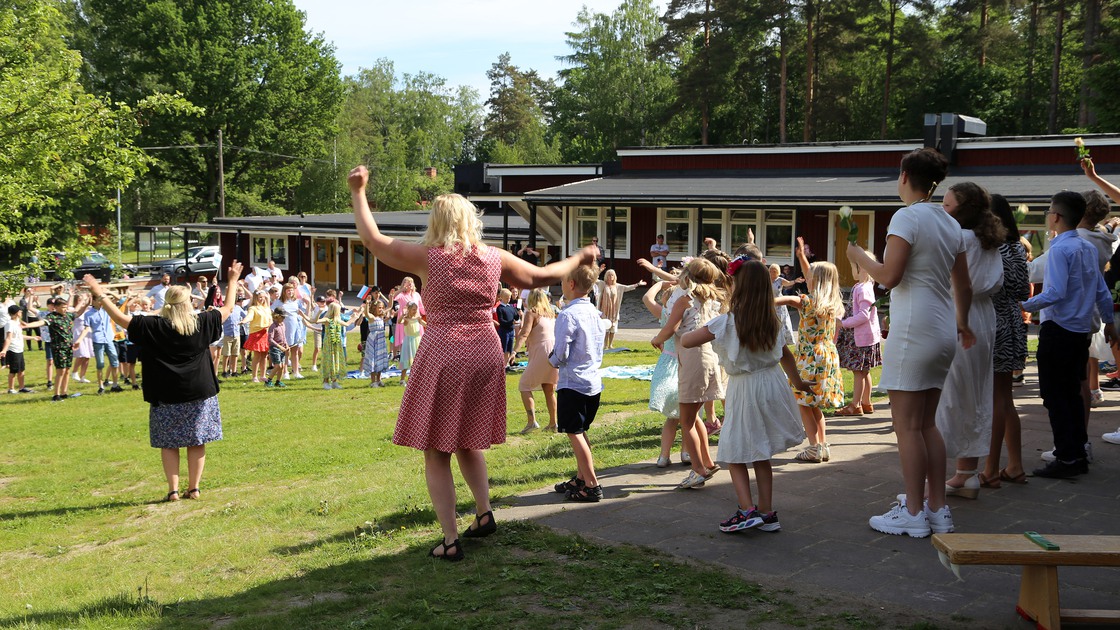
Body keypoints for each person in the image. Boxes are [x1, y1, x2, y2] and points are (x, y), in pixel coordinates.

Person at [349, 164, 595, 561]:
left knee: (435, 449)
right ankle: (483, 514)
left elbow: (374, 240)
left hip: (445, 350)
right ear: (470, 221)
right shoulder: (493, 257)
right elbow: (543, 276)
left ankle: (449, 540)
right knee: (467, 439)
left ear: (437, 222)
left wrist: (359, 192)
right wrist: (579, 256)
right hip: (485, 350)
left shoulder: (430, 259)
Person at [847, 147, 974, 538]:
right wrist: (963, 324)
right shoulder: (949, 223)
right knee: (927, 424)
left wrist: (858, 254)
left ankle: (914, 512)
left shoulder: (906, 216)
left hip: (913, 331)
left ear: (904, 176)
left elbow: (889, 277)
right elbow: (963, 284)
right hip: (941, 330)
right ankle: (937, 509)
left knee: (906, 426)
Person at [81, 261, 243, 502]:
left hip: (165, 392)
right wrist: (231, 280)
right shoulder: (203, 322)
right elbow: (228, 307)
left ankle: (173, 490)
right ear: (188, 303)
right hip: (199, 391)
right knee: (196, 441)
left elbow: (119, 317)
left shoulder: (151, 325)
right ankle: (195, 488)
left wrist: (99, 293)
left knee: (169, 443)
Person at [682, 260, 812, 533]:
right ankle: (766, 512)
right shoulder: (772, 321)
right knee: (761, 452)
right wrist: (799, 382)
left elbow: (687, 340)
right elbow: (786, 356)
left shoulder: (726, 322)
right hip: (772, 385)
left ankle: (746, 510)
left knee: (734, 451)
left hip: (745, 389)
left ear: (737, 288)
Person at [1021, 191, 1116, 478]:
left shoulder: (1062, 250)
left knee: (1055, 395)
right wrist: (1108, 321)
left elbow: (1055, 292)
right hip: (1080, 331)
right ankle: (1077, 452)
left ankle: (1066, 457)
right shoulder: (1086, 247)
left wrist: (1023, 305)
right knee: (1073, 393)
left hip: (1059, 329)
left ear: (1056, 217)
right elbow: (1102, 290)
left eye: (1050, 210)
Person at [936, 182, 1005, 499]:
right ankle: (967, 474)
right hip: (983, 317)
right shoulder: (987, 240)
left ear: (962, 210)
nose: (941, 209)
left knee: (950, 394)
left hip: (958, 315)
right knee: (975, 393)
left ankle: (940, 475)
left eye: (947, 205)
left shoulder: (959, 238)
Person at [651, 258, 727, 489]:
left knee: (686, 421)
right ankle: (707, 462)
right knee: (695, 416)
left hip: (693, 359)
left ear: (687, 275)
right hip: (710, 358)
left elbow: (670, 327)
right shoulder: (712, 299)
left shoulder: (685, 300)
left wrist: (657, 339)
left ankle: (698, 471)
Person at [775, 238, 844, 462]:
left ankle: (813, 446)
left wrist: (759, 297)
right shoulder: (832, 304)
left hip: (809, 358)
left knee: (803, 404)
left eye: (809, 275)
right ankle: (821, 445)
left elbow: (782, 299)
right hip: (827, 356)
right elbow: (811, 274)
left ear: (815, 281)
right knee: (813, 404)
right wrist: (802, 257)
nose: (806, 277)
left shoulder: (805, 301)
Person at [981, 194, 1031, 485]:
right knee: (1005, 399)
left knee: (994, 400)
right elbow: (1024, 291)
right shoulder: (1016, 247)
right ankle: (1015, 465)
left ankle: (989, 470)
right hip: (1012, 322)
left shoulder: (991, 249)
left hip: (993, 320)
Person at [549, 264, 609, 502]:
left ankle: (592, 484)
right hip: (592, 382)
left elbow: (561, 351)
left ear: (571, 285)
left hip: (573, 382)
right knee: (581, 432)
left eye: (563, 281)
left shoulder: (568, 314)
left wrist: (551, 360)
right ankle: (582, 477)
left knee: (574, 432)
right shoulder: (595, 312)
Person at [834, 252, 882, 416]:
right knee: (864, 371)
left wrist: (844, 323)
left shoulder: (863, 288)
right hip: (866, 338)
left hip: (861, 339)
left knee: (858, 372)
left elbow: (864, 315)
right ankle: (866, 403)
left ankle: (855, 405)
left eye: (853, 265)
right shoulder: (862, 286)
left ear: (861, 267)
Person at [643, 280, 684, 467]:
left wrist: (659, 284)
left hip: (668, 365)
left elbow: (646, 298)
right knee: (689, 416)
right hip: (685, 365)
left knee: (672, 417)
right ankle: (686, 453)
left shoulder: (666, 314)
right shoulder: (687, 313)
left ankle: (663, 456)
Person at [514, 288, 559, 433]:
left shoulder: (532, 312)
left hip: (541, 351)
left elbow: (524, 334)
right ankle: (553, 423)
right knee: (549, 388)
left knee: (524, 385)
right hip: (553, 351)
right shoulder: (550, 314)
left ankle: (532, 421)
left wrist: (514, 351)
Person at [43, 295, 90, 401]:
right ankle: (56, 395)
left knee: (67, 370)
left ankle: (64, 393)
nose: (65, 309)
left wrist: (86, 304)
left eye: (66, 307)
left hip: (69, 347)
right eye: (63, 307)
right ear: (56, 307)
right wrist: (27, 325)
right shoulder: (52, 317)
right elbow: (41, 322)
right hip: (58, 348)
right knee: (61, 370)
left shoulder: (67, 316)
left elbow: (78, 312)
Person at [595, 269, 645, 350]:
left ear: (614, 277)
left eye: (612, 275)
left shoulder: (617, 286)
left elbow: (628, 287)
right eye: (608, 275)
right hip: (604, 309)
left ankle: (610, 344)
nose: (610, 277)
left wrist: (638, 284)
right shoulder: (602, 284)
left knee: (613, 328)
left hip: (614, 310)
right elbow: (594, 280)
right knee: (605, 327)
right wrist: (599, 271)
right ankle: (605, 345)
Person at [303, 301, 345, 390]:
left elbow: (348, 323)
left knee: (335, 361)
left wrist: (357, 314)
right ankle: (326, 381)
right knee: (328, 361)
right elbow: (315, 321)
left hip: (336, 344)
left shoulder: (338, 320)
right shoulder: (327, 320)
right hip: (328, 344)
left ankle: (334, 381)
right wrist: (319, 312)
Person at [85, 298, 123, 394]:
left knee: (115, 362)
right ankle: (101, 386)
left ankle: (115, 384)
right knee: (100, 364)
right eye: (98, 300)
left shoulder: (106, 311)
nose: (100, 302)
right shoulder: (88, 314)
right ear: (93, 301)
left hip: (109, 339)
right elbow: (87, 327)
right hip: (98, 340)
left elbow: (120, 301)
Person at [2, 304, 40, 393]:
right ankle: (11, 389)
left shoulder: (17, 322)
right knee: (13, 370)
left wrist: (33, 338)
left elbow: (19, 336)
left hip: (19, 349)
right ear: (16, 313)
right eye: (20, 311)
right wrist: (4, 350)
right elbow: (8, 338)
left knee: (21, 370)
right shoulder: (9, 324)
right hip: (13, 350)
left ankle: (21, 388)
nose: (21, 312)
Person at [361, 300, 391, 387]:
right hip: (373, 340)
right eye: (379, 308)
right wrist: (367, 304)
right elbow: (366, 313)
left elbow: (389, 306)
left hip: (381, 340)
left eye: (382, 308)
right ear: (374, 308)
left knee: (380, 360)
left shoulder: (381, 317)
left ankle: (379, 380)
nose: (381, 309)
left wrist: (391, 297)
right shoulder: (372, 317)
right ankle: (373, 381)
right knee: (373, 359)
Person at [392, 277, 425, 357]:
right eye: (407, 282)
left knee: (417, 339)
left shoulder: (416, 295)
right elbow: (392, 297)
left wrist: (426, 314)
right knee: (406, 341)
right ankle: (406, 360)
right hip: (405, 321)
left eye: (412, 282)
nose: (410, 284)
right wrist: (401, 289)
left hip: (416, 320)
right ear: (403, 284)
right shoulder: (401, 295)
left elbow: (421, 307)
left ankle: (416, 360)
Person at [399, 302, 424, 384]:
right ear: (409, 309)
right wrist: (403, 315)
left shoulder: (417, 318)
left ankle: (415, 379)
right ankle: (402, 379)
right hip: (409, 341)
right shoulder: (406, 319)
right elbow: (400, 321)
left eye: (416, 309)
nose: (415, 311)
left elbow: (425, 324)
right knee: (407, 358)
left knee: (417, 360)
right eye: (413, 309)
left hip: (417, 340)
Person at [494, 288, 519, 368]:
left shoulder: (510, 307)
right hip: (504, 331)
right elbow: (502, 321)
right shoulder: (500, 308)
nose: (508, 300)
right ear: (502, 297)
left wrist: (518, 313)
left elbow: (516, 317)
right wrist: (511, 322)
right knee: (503, 348)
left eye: (509, 298)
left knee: (509, 348)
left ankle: (506, 364)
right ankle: (502, 365)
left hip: (511, 330)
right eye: (506, 298)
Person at [265, 307, 290, 388]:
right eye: (282, 317)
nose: (284, 318)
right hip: (275, 348)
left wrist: (286, 345)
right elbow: (270, 339)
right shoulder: (273, 326)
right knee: (278, 365)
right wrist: (279, 346)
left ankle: (278, 381)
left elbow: (284, 337)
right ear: (277, 316)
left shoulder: (282, 325)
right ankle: (268, 380)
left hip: (282, 347)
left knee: (282, 366)